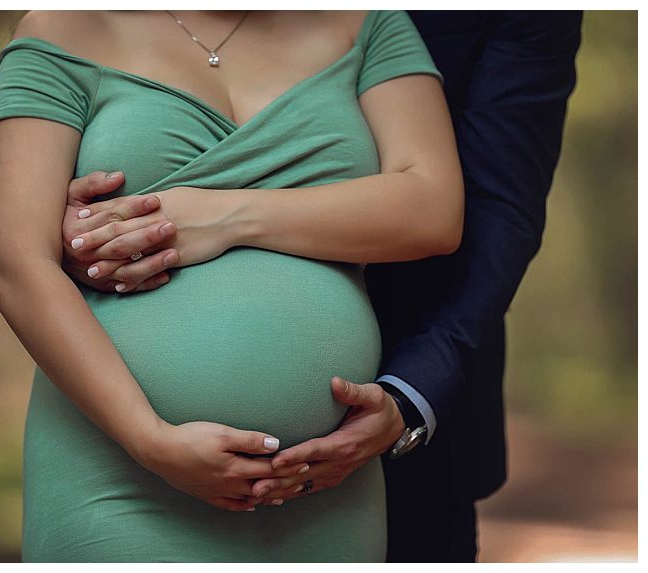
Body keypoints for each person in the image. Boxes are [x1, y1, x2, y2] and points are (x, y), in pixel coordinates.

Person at [60, 11, 583, 562]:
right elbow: (33, 203)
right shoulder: (76, 27)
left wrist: (411, 393)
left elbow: (498, 208)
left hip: (397, 416)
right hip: (119, 454)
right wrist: (76, 233)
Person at [0, 9, 461, 562]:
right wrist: (151, 440)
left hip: (324, 488)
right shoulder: (65, 29)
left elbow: (434, 210)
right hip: (122, 477)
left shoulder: (365, 22)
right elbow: (17, 265)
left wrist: (226, 217)